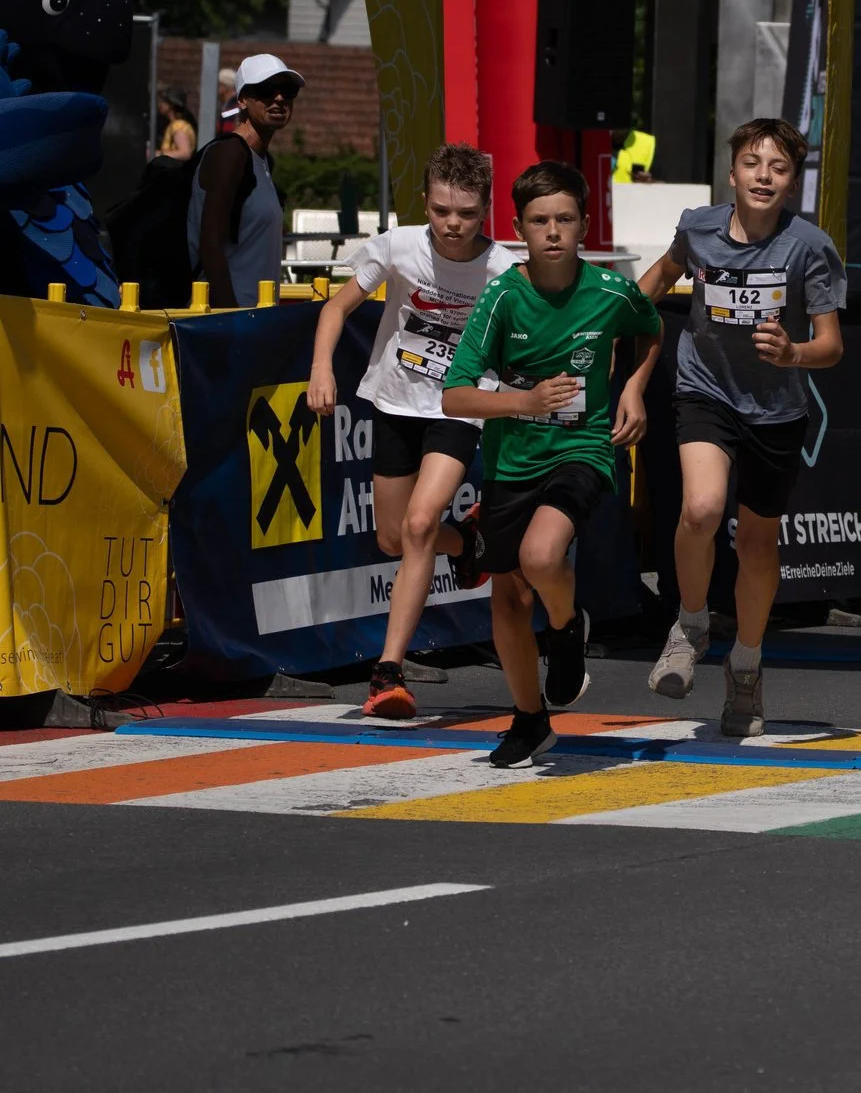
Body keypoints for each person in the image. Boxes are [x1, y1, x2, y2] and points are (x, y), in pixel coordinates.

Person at [441, 161, 663, 766]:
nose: (554, 231)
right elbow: (454, 395)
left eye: (565, 219)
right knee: (508, 599)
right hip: (512, 459)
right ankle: (530, 719)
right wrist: (524, 401)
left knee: (543, 555)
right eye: (540, 220)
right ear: (519, 228)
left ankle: (567, 629)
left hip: (583, 449)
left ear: (585, 225)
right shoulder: (502, 296)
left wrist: (634, 390)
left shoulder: (611, 291)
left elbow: (650, 329)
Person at [636, 118, 846, 736]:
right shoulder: (698, 228)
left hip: (777, 408)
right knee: (700, 510)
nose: (763, 176)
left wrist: (794, 353)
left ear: (792, 184)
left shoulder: (808, 246)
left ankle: (746, 668)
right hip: (706, 390)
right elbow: (658, 279)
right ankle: (691, 623)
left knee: (756, 544)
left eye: (778, 168)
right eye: (752, 164)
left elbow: (831, 345)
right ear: (731, 173)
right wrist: (610, 313)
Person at [306, 144, 518, 719]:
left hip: (458, 409)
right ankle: (470, 543)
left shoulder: (502, 270)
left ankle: (388, 671)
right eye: (442, 210)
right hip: (397, 402)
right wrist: (323, 369)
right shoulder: (398, 248)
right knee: (394, 538)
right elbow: (334, 310)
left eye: (467, 213)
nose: (453, 224)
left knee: (422, 524)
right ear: (424, 201)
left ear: (487, 211)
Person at [190, 53, 296, 308]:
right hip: (228, 320)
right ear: (242, 100)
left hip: (257, 318)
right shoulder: (230, 153)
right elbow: (210, 243)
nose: (279, 98)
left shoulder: (262, 160)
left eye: (288, 90)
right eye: (267, 90)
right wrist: (232, 319)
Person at [156, 88, 196, 159]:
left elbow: (185, 153)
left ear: (171, 105)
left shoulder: (178, 125)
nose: (160, 104)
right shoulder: (173, 124)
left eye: (163, 101)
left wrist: (157, 154)